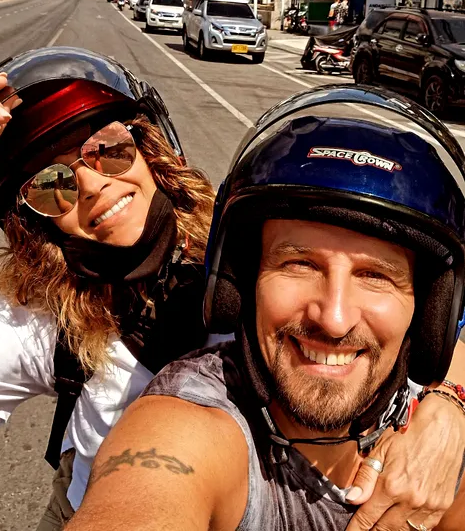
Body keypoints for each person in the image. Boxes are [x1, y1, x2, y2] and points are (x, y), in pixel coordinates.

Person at [69, 85, 465, 531]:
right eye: (299, 264)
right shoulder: (189, 427)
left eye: (375, 276)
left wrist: (451, 402)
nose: (334, 319)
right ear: (244, 281)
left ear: (429, 311)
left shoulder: (427, 434)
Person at [0, 46, 214, 530]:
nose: (90, 185)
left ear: (150, 151)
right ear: (38, 224)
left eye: (107, 148)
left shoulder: (258, 262)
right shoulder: (48, 323)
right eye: (51, 184)